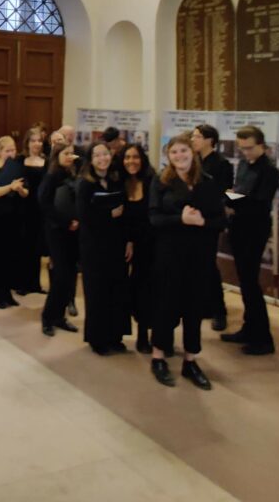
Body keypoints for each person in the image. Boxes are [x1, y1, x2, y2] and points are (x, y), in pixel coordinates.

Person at [149, 134, 226, 390]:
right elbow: (154, 218)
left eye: (183, 150)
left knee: (194, 309)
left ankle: (190, 360)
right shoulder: (161, 182)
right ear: (168, 156)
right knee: (165, 306)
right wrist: (180, 219)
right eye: (174, 152)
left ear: (192, 153)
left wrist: (203, 222)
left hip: (200, 256)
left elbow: (221, 220)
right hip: (169, 255)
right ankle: (158, 357)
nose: (179, 156)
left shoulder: (208, 182)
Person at [220, 126, 279, 355]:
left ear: (261, 145)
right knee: (244, 282)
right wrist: (231, 197)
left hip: (255, 229)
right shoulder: (244, 164)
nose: (245, 152)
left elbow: (258, 203)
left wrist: (232, 200)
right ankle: (249, 328)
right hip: (239, 226)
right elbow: (239, 191)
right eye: (242, 148)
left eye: (250, 148)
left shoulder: (269, 170)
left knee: (251, 283)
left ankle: (263, 337)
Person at [76, 141, 130, 354]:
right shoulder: (85, 184)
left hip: (116, 244)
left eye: (105, 154)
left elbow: (125, 212)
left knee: (117, 289)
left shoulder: (116, 180)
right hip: (94, 247)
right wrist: (109, 214)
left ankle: (115, 336)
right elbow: (84, 216)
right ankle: (97, 339)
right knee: (97, 292)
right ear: (91, 160)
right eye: (97, 155)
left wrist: (128, 240)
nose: (102, 159)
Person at [117, 142, 157, 353]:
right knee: (131, 289)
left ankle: (149, 335)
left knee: (149, 290)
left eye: (135, 157)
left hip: (151, 243)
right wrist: (128, 240)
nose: (131, 161)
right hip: (127, 243)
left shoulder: (152, 180)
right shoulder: (119, 182)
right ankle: (133, 332)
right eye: (127, 157)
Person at [191, 124, 231, 331]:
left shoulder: (221, 163)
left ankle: (219, 310)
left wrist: (228, 205)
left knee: (209, 264)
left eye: (197, 136)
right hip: (192, 218)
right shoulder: (194, 160)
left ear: (210, 140)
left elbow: (228, 191)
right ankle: (204, 305)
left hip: (210, 220)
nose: (193, 140)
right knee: (196, 264)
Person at [38, 142, 80, 336]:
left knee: (70, 276)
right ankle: (48, 316)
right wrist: (66, 222)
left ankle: (59, 316)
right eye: (66, 153)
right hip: (57, 231)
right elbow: (44, 203)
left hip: (73, 231)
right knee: (61, 275)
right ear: (57, 156)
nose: (70, 156)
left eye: (71, 153)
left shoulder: (72, 174)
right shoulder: (51, 176)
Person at [0, 135, 26, 309]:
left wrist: (21, 189)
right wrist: (10, 187)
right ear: (0, 152)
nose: (11, 153)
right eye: (8, 150)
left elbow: (25, 192)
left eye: (13, 150)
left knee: (11, 256)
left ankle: (8, 292)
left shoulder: (16, 168)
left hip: (13, 217)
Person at [17, 126, 49, 295]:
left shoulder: (46, 161)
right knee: (24, 244)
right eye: (33, 141)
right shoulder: (20, 160)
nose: (37, 144)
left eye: (39, 141)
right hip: (23, 206)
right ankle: (22, 283)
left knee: (37, 245)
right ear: (27, 143)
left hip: (39, 207)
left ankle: (35, 283)